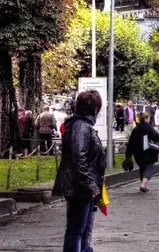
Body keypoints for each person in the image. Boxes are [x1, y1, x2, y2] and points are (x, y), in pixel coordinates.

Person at [52, 89, 106, 252]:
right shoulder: (81, 127)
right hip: (79, 186)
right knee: (76, 231)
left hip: (84, 186)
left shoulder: (83, 126)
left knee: (84, 230)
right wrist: (92, 185)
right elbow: (79, 159)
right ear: (94, 108)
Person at [124, 112, 159, 193]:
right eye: (148, 118)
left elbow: (130, 142)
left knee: (142, 167)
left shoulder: (136, 129)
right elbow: (157, 136)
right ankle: (143, 184)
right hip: (147, 151)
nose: (149, 119)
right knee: (149, 166)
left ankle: (144, 185)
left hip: (137, 152)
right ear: (145, 119)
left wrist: (128, 154)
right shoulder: (148, 127)